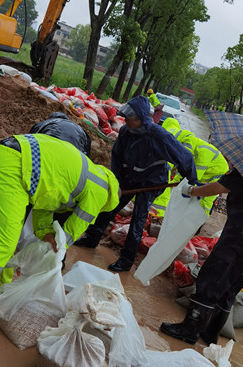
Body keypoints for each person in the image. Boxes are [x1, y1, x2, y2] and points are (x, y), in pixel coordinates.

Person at [0, 134, 120, 352]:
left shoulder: (85, 173)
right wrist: (55, 253)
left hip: (9, 155)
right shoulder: (100, 191)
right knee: (0, 246)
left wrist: (44, 231)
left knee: (11, 236)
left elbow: (45, 201)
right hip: (13, 167)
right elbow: (70, 233)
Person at [74, 96, 197, 272]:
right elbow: (116, 156)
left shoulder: (159, 136)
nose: (126, 121)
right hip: (130, 178)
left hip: (153, 182)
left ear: (141, 118)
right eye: (125, 119)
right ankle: (92, 238)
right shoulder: (125, 131)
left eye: (129, 119)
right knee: (110, 206)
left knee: (138, 218)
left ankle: (126, 260)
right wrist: (117, 182)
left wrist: (192, 180)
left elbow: (184, 157)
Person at [160, 168, 243, 345]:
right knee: (232, 284)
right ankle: (210, 334)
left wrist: (191, 190)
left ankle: (190, 329)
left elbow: (218, 188)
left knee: (212, 277)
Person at [152, 118, 229, 216]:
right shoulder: (184, 142)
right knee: (190, 194)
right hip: (208, 171)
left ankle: (198, 220)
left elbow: (193, 177)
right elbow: (178, 167)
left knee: (204, 200)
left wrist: (177, 185)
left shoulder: (202, 152)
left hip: (217, 174)